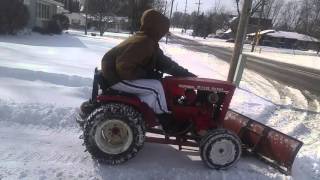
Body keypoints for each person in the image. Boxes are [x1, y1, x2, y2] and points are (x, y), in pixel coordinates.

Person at [100, 9, 195, 118]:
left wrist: (186, 75)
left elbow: (164, 63)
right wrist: (148, 74)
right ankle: (165, 120)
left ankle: (152, 113)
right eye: (163, 32)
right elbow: (124, 68)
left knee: (159, 84)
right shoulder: (143, 42)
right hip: (116, 78)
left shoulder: (148, 40)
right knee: (156, 87)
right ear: (157, 29)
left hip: (119, 75)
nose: (163, 35)